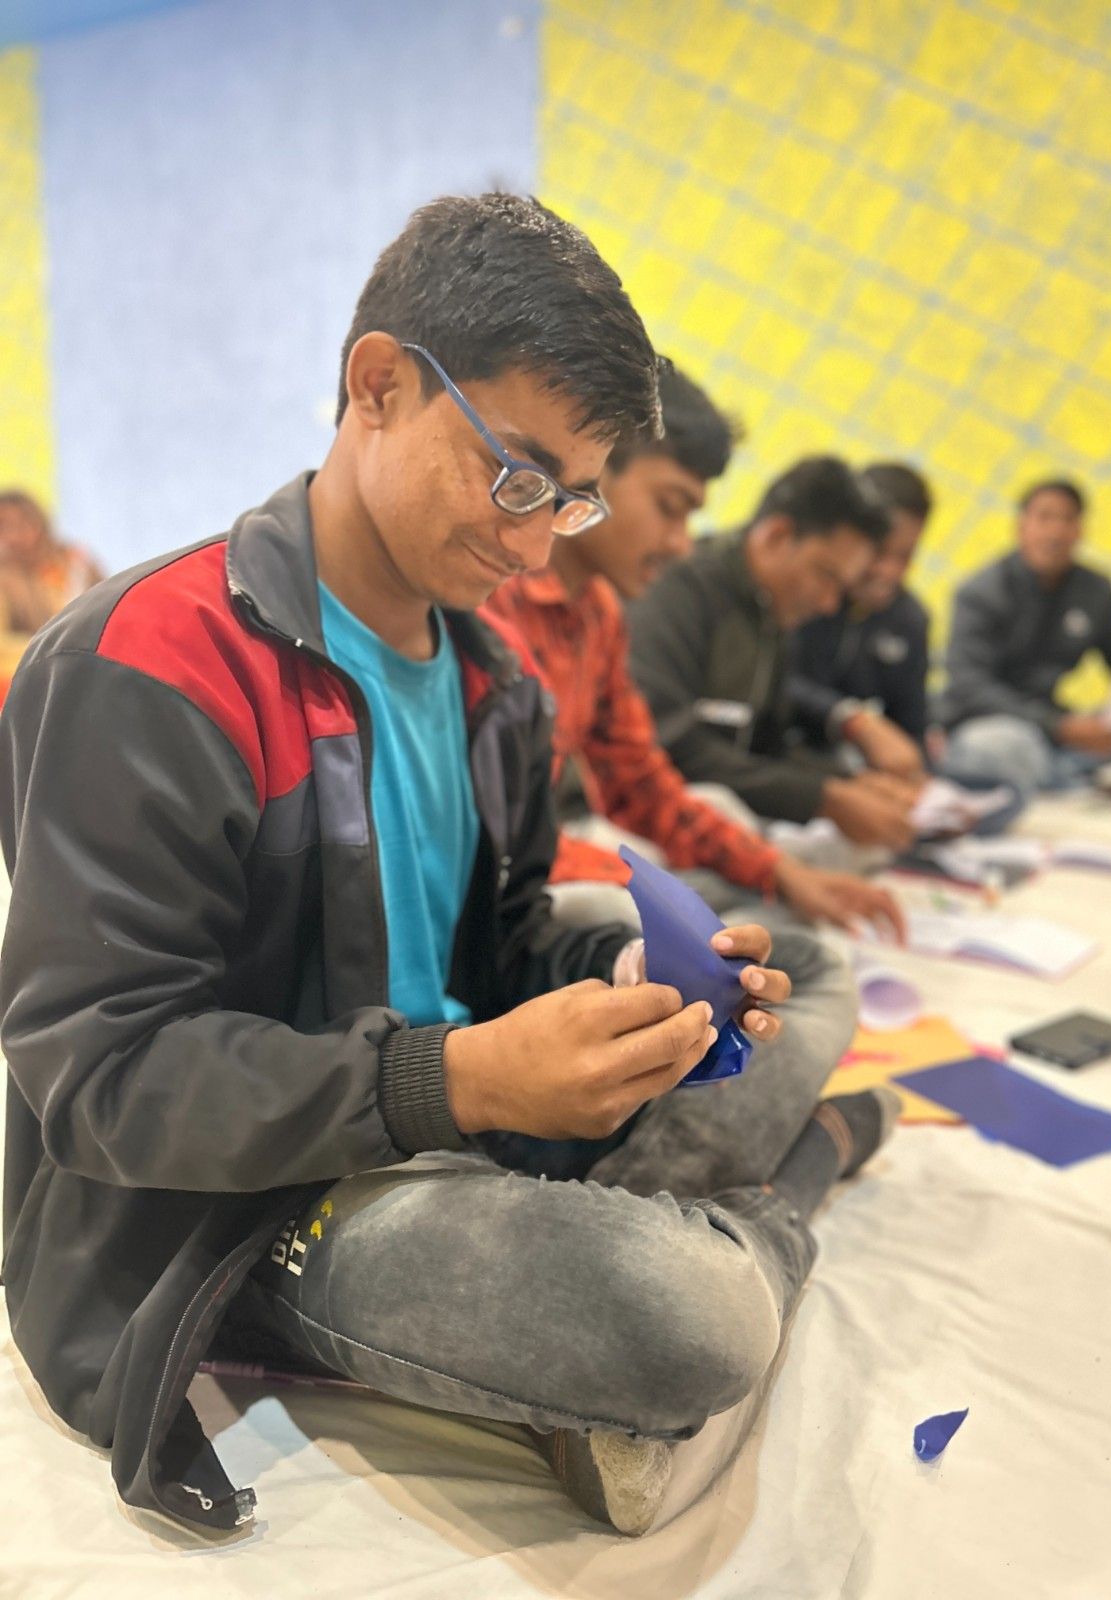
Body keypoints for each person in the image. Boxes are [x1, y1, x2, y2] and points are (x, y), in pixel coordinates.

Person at [0, 194, 897, 1542]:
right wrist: (459, 1079)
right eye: (516, 477)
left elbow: (504, 934)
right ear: (378, 386)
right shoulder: (150, 661)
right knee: (683, 1316)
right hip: (253, 1205)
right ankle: (769, 1201)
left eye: (572, 498)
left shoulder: (494, 680)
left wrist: (626, 974)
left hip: (464, 1116)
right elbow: (101, 1081)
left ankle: (588, 1278)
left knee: (806, 968)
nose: (537, 544)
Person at [485, 364, 905, 939]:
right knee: (628, 916)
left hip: (561, 861)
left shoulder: (598, 612)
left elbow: (641, 783)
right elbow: (492, 845)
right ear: (591, 467)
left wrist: (778, 872)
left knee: (784, 938)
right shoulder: (492, 597)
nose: (682, 543)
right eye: (670, 507)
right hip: (497, 898)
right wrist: (665, 899)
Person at [626, 455, 920, 852]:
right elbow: (669, 742)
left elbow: (766, 745)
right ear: (777, 536)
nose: (829, 603)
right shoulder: (679, 590)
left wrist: (854, 785)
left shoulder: (769, 614)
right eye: (826, 576)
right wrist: (824, 798)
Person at [940, 478, 1111, 799]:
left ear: (1080, 530)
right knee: (998, 746)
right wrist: (1058, 726)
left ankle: (1065, 775)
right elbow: (969, 687)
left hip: (1065, 731)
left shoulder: (1094, 590)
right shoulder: (981, 593)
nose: (1055, 532)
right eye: (1044, 518)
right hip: (1000, 724)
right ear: (1021, 526)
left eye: (1067, 520)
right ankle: (1072, 779)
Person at [788, 462, 932, 776]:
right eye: (879, 552)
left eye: (905, 556)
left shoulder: (909, 619)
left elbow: (911, 728)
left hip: (852, 766)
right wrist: (850, 720)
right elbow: (776, 684)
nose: (889, 571)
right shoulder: (802, 590)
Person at [0, 489, 103, 635]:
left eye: (22, 523)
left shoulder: (76, 562)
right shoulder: (6, 577)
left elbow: (108, 607)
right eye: (3, 528)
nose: (13, 536)